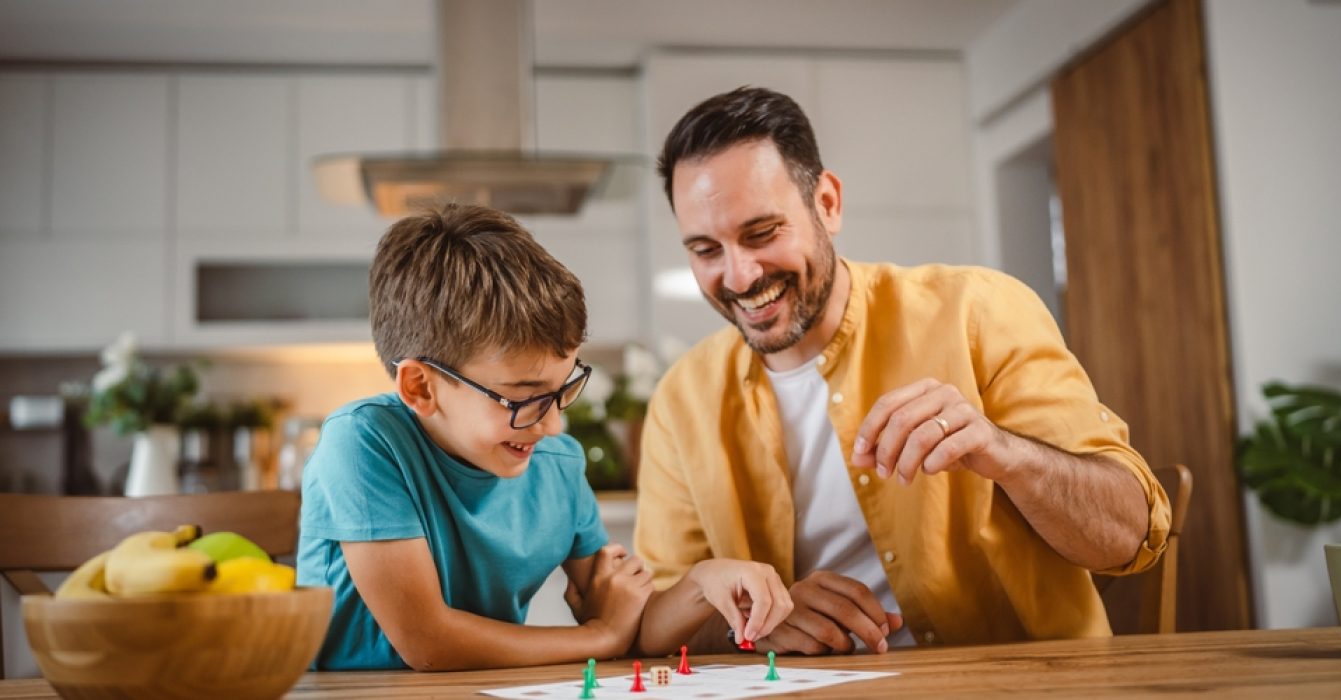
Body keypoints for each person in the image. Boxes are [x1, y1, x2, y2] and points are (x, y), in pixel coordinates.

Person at [636, 87, 1171, 655]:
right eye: (705, 250)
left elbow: (1128, 535)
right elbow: (658, 619)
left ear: (828, 203)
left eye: (762, 234)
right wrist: (751, 623)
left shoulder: (979, 311)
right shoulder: (682, 397)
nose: (739, 276)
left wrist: (1004, 452)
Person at [297, 204, 792, 671]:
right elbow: (428, 642)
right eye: (522, 397)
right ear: (421, 387)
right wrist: (598, 638)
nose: (553, 425)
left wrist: (704, 582)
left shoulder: (555, 462)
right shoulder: (362, 442)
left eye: (563, 389)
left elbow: (632, 625)